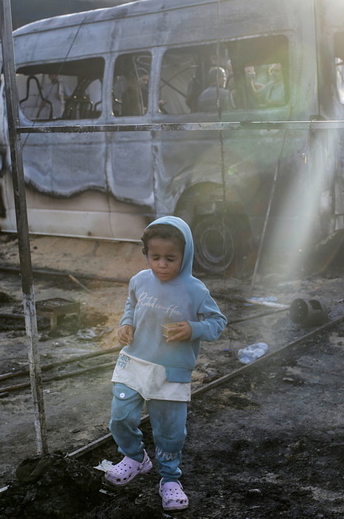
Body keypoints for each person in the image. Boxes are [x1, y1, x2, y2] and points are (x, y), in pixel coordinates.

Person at [105, 216, 226, 512]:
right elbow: (132, 305)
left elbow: (217, 322)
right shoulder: (139, 280)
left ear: (185, 256)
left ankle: (170, 480)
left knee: (170, 432)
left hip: (171, 370)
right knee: (120, 416)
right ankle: (134, 457)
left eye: (170, 258)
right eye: (154, 257)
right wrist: (126, 325)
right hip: (134, 360)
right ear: (146, 254)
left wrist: (193, 329)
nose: (161, 264)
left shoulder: (195, 290)